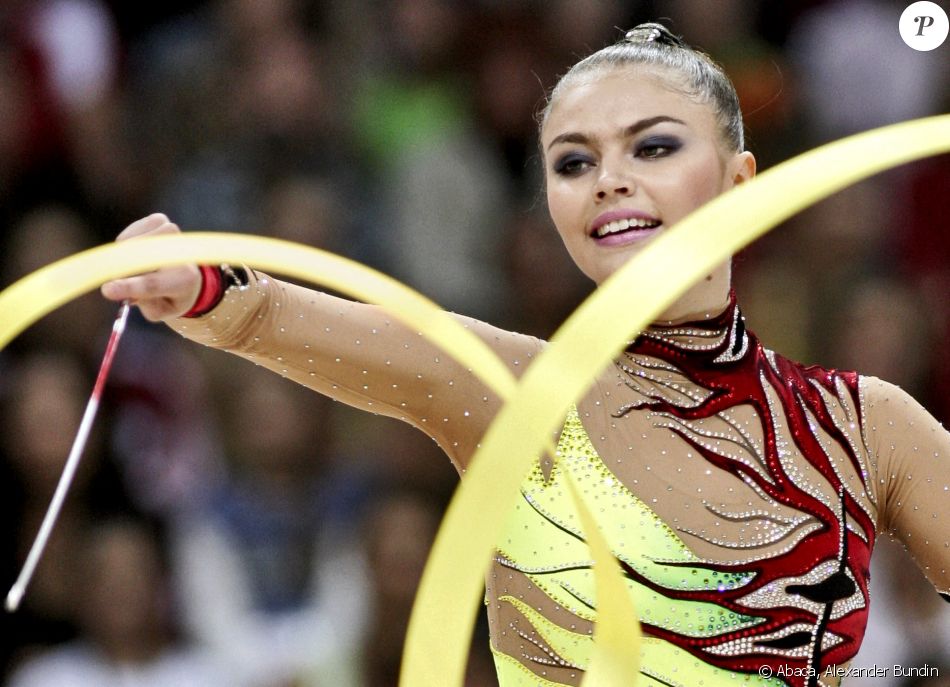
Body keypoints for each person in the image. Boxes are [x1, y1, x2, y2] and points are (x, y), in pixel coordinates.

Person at [100, 23, 949, 687]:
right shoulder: (516, 393)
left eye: (653, 146)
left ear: (737, 182)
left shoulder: (863, 424)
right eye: (574, 162)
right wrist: (200, 287)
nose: (609, 179)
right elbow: (277, 314)